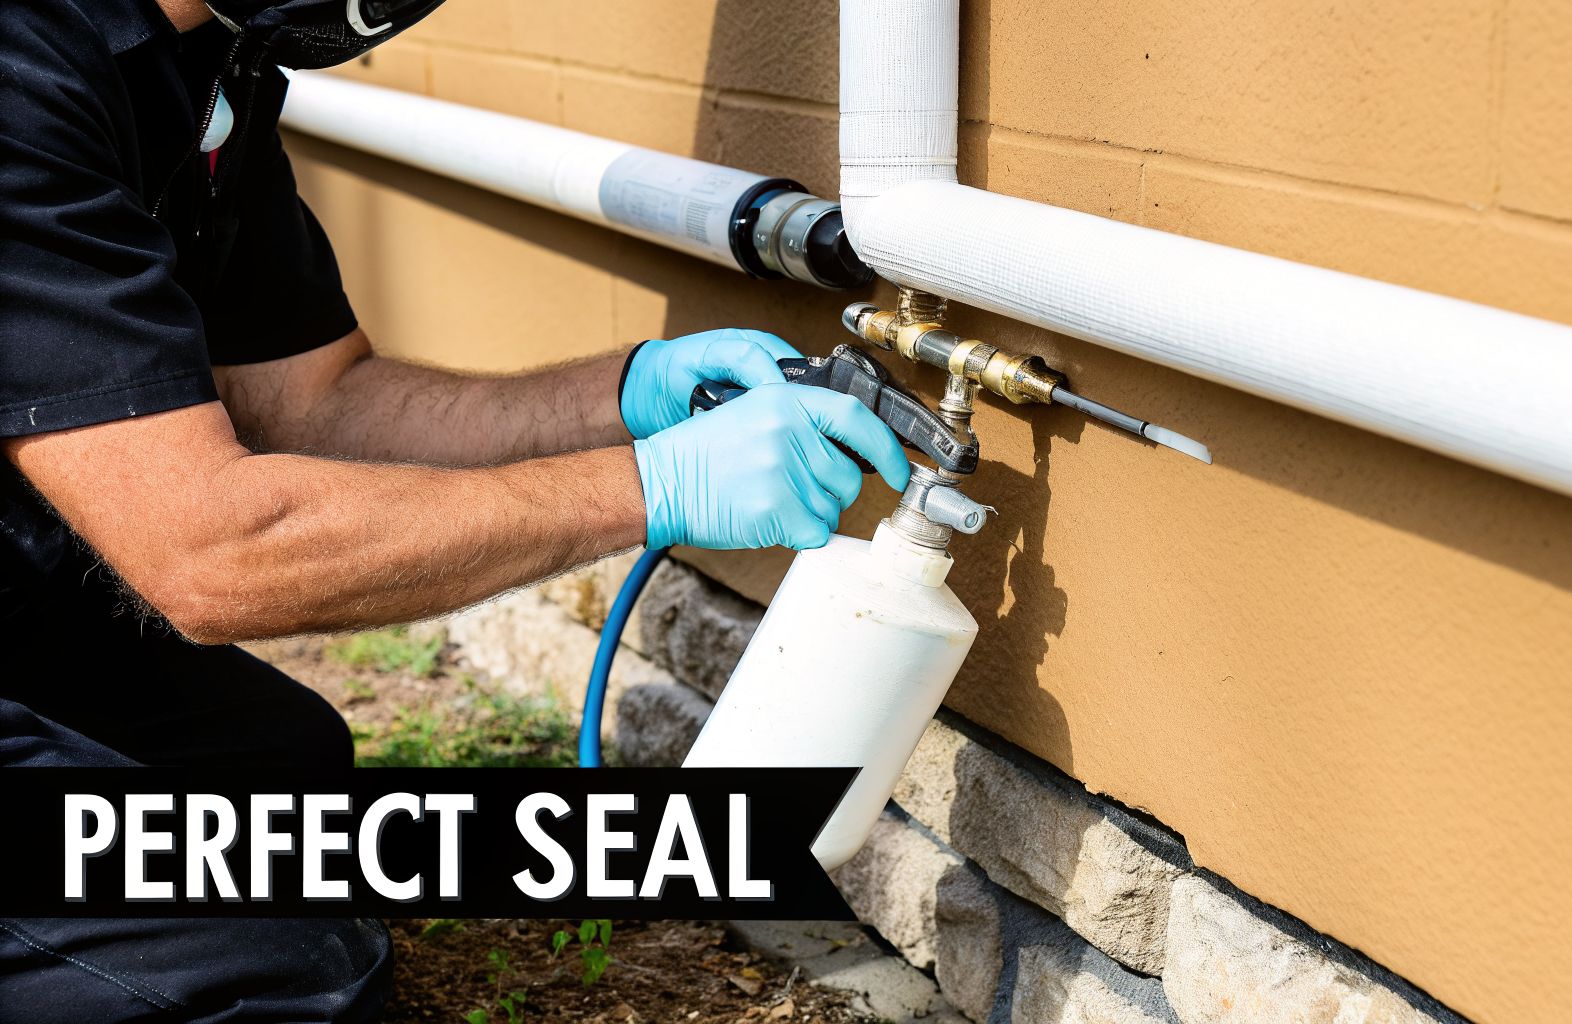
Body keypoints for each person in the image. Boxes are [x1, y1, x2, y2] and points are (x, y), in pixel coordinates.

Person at [0, 0, 909, 1018]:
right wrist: (653, 484)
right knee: (257, 973)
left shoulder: (206, 65)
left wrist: (625, 397)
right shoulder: (19, 68)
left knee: (281, 780)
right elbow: (212, 551)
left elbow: (311, 403)